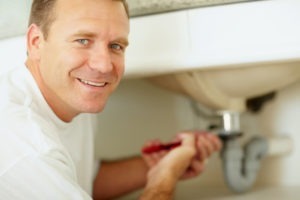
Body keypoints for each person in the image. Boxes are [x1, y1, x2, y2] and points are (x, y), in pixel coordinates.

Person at [0, 0, 222, 199]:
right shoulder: (23, 142)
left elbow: (81, 181)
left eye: (116, 46)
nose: (104, 65)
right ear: (36, 42)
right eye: (83, 40)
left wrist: (159, 163)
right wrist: (164, 179)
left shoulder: (70, 96)